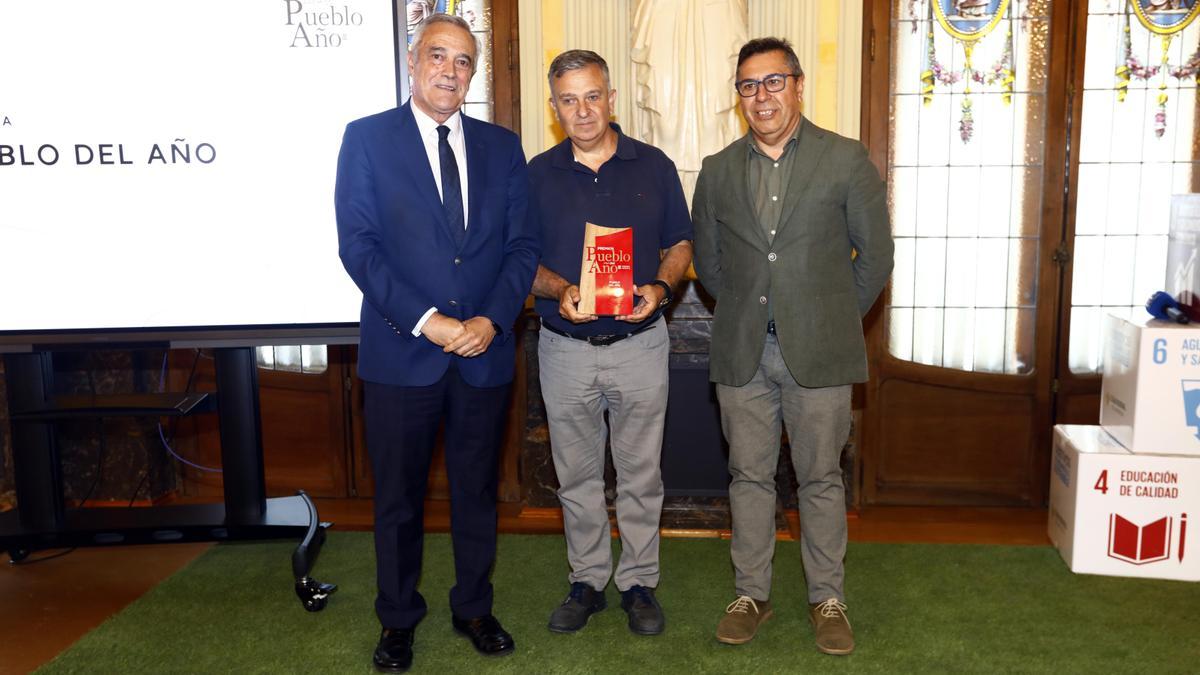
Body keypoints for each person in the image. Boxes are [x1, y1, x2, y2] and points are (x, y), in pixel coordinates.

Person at [334, 13, 538, 673]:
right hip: (402, 353)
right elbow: (358, 247)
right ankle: (397, 620)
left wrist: (492, 320)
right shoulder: (365, 140)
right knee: (398, 497)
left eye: (464, 62)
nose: (451, 71)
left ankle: (474, 607)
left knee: (477, 491)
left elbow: (522, 247)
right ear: (415, 61)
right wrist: (430, 321)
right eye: (439, 57)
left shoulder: (503, 147)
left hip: (485, 352)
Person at [691, 37, 893, 655]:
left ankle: (827, 598)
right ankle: (752, 592)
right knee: (748, 476)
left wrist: (827, 317)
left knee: (821, 479)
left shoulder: (846, 159)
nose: (762, 96)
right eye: (748, 86)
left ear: (798, 85)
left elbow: (875, 257)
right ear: (739, 98)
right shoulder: (718, 168)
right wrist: (755, 314)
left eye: (773, 81)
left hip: (821, 354)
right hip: (743, 353)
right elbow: (709, 264)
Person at [527, 49, 693, 637]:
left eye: (592, 95)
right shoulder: (536, 174)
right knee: (576, 476)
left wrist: (660, 285)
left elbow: (680, 243)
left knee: (640, 473)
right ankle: (588, 579)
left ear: (612, 97)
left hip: (640, 345)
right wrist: (559, 287)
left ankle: (640, 582)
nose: (583, 110)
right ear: (555, 108)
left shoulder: (654, 166)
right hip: (564, 347)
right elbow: (521, 262)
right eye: (568, 100)